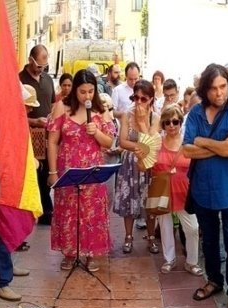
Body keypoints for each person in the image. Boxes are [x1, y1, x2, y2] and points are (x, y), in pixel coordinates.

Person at [182, 64, 228, 308]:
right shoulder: (196, 113)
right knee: (209, 241)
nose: (219, 93)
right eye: (213, 88)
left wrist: (203, 141)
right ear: (205, 89)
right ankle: (214, 280)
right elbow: (187, 150)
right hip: (203, 189)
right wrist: (221, 145)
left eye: (223, 87)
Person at [47, 69, 116, 272]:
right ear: (75, 90)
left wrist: (96, 133)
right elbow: (52, 141)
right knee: (68, 212)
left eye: (91, 91)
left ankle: (91, 253)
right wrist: (52, 172)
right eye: (83, 91)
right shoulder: (62, 107)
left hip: (92, 171)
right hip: (67, 169)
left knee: (91, 213)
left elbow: (110, 141)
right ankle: (69, 253)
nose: (87, 96)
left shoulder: (100, 110)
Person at [0, 85, 40, 302]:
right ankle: (2, 279)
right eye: (27, 107)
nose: (29, 112)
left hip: (14, 183)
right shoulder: (6, 123)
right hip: (5, 187)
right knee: (4, 231)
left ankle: (7, 268)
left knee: (11, 229)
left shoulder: (17, 123)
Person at [154, 105, 201, 275]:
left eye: (175, 121)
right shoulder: (157, 142)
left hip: (185, 191)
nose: (171, 125)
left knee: (193, 228)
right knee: (165, 226)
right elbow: (147, 166)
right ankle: (169, 259)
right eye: (167, 122)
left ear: (181, 122)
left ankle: (192, 261)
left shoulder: (188, 141)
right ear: (163, 124)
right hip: (163, 191)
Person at [114, 79, 159, 255]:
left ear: (151, 99)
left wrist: (141, 122)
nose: (138, 102)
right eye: (136, 97)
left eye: (143, 98)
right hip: (130, 163)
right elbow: (123, 141)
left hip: (147, 163)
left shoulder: (155, 117)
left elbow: (152, 142)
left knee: (149, 202)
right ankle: (128, 236)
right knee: (129, 199)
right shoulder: (127, 114)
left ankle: (151, 237)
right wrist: (139, 147)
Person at [20, 44, 56, 225]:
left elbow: (52, 104)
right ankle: (43, 210)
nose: (41, 69)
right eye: (39, 66)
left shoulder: (48, 80)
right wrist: (34, 121)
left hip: (47, 135)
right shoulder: (19, 79)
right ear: (30, 60)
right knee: (33, 171)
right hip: (29, 134)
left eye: (44, 66)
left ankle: (44, 209)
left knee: (47, 171)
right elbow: (14, 114)